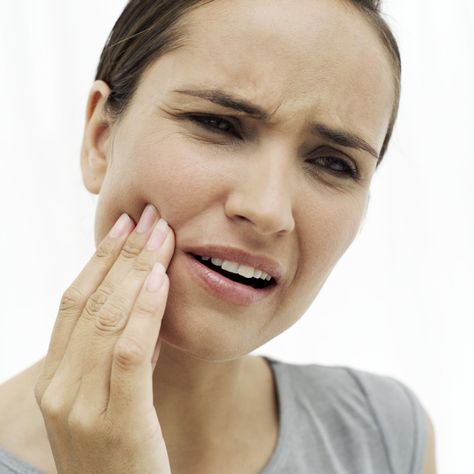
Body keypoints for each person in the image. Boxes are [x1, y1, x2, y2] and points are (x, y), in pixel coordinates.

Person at [0, 0, 437, 473]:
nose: (267, 209)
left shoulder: (384, 435)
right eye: (218, 124)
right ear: (101, 139)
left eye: (333, 162)